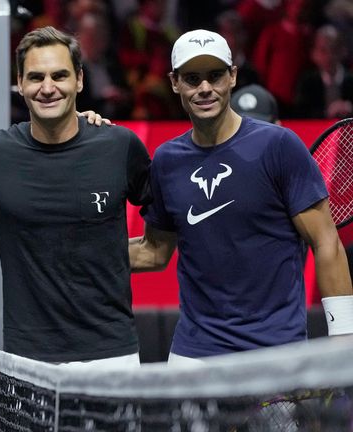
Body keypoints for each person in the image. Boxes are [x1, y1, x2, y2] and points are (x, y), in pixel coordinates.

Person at [129, 29, 353, 366]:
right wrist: (75, 254)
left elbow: (327, 242)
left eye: (215, 75)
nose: (205, 88)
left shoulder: (279, 145)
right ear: (174, 83)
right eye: (192, 78)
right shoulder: (165, 161)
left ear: (232, 76)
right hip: (194, 354)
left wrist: (344, 339)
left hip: (277, 353)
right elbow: (155, 251)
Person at [0, 26, 152, 368]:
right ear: (19, 83)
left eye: (60, 76)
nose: (48, 88)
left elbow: (162, 243)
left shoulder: (119, 146)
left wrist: (104, 256)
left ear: (79, 80)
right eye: (36, 77)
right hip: (28, 361)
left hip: (112, 356)